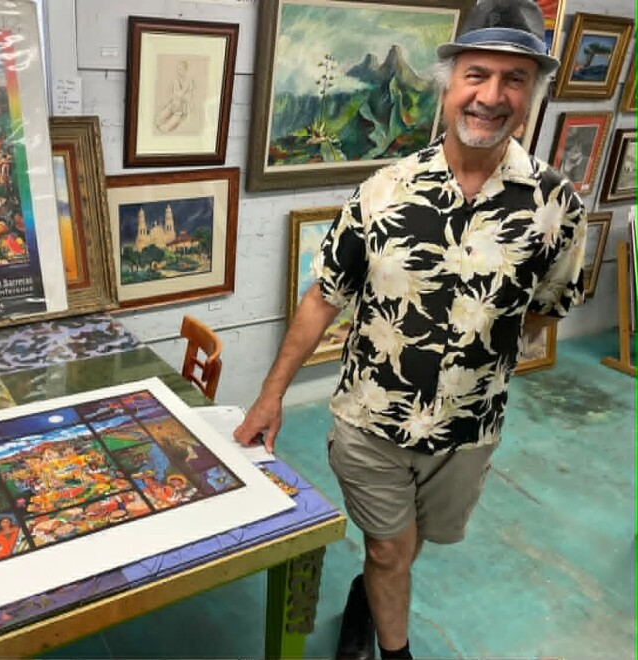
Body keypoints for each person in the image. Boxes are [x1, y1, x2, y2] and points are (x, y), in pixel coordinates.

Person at [234, 1, 586, 658]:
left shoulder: (556, 206)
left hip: (468, 430)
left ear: (532, 93)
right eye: (477, 74)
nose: (492, 95)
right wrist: (271, 394)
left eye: (514, 79)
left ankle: (370, 595)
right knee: (390, 547)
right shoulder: (385, 192)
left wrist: (480, 352)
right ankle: (394, 650)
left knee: (406, 548)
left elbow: (547, 307)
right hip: (372, 418)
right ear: (448, 84)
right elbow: (323, 297)